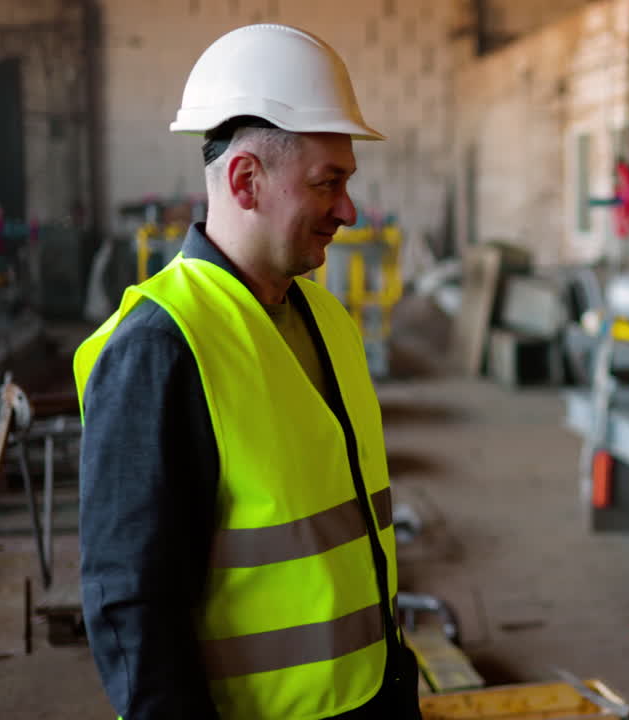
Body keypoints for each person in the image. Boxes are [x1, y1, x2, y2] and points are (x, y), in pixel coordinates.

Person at [74, 24, 421, 719]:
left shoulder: (329, 321)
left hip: (374, 695)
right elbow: (133, 609)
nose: (348, 211)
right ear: (245, 180)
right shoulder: (158, 347)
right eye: (329, 183)